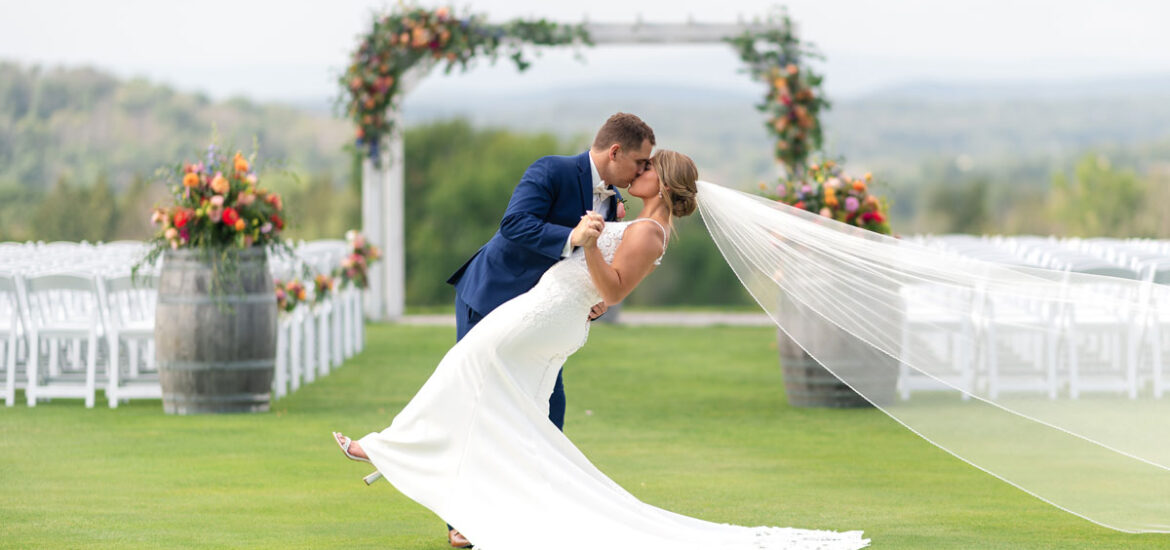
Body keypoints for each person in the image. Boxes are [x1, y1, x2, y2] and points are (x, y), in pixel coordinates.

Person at [332, 150, 869, 549]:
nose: (638, 173)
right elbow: (606, 284)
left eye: (647, 168)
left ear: (664, 181)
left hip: (543, 317)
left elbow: (611, 287)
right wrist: (591, 255)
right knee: (509, 408)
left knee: (465, 367)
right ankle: (484, 507)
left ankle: (381, 449)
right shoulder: (635, 220)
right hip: (551, 314)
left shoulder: (650, 232)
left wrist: (587, 244)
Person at [437, 111, 654, 546]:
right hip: (491, 296)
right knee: (481, 403)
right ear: (615, 152)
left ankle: (532, 509)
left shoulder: (612, 201)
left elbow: (594, 268)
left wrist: (595, 302)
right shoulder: (551, 169)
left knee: (549, 407)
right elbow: (514, 225)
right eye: (641, 162)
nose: (645, 171)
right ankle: (461, 520)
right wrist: (573, 236)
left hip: (543, 316)